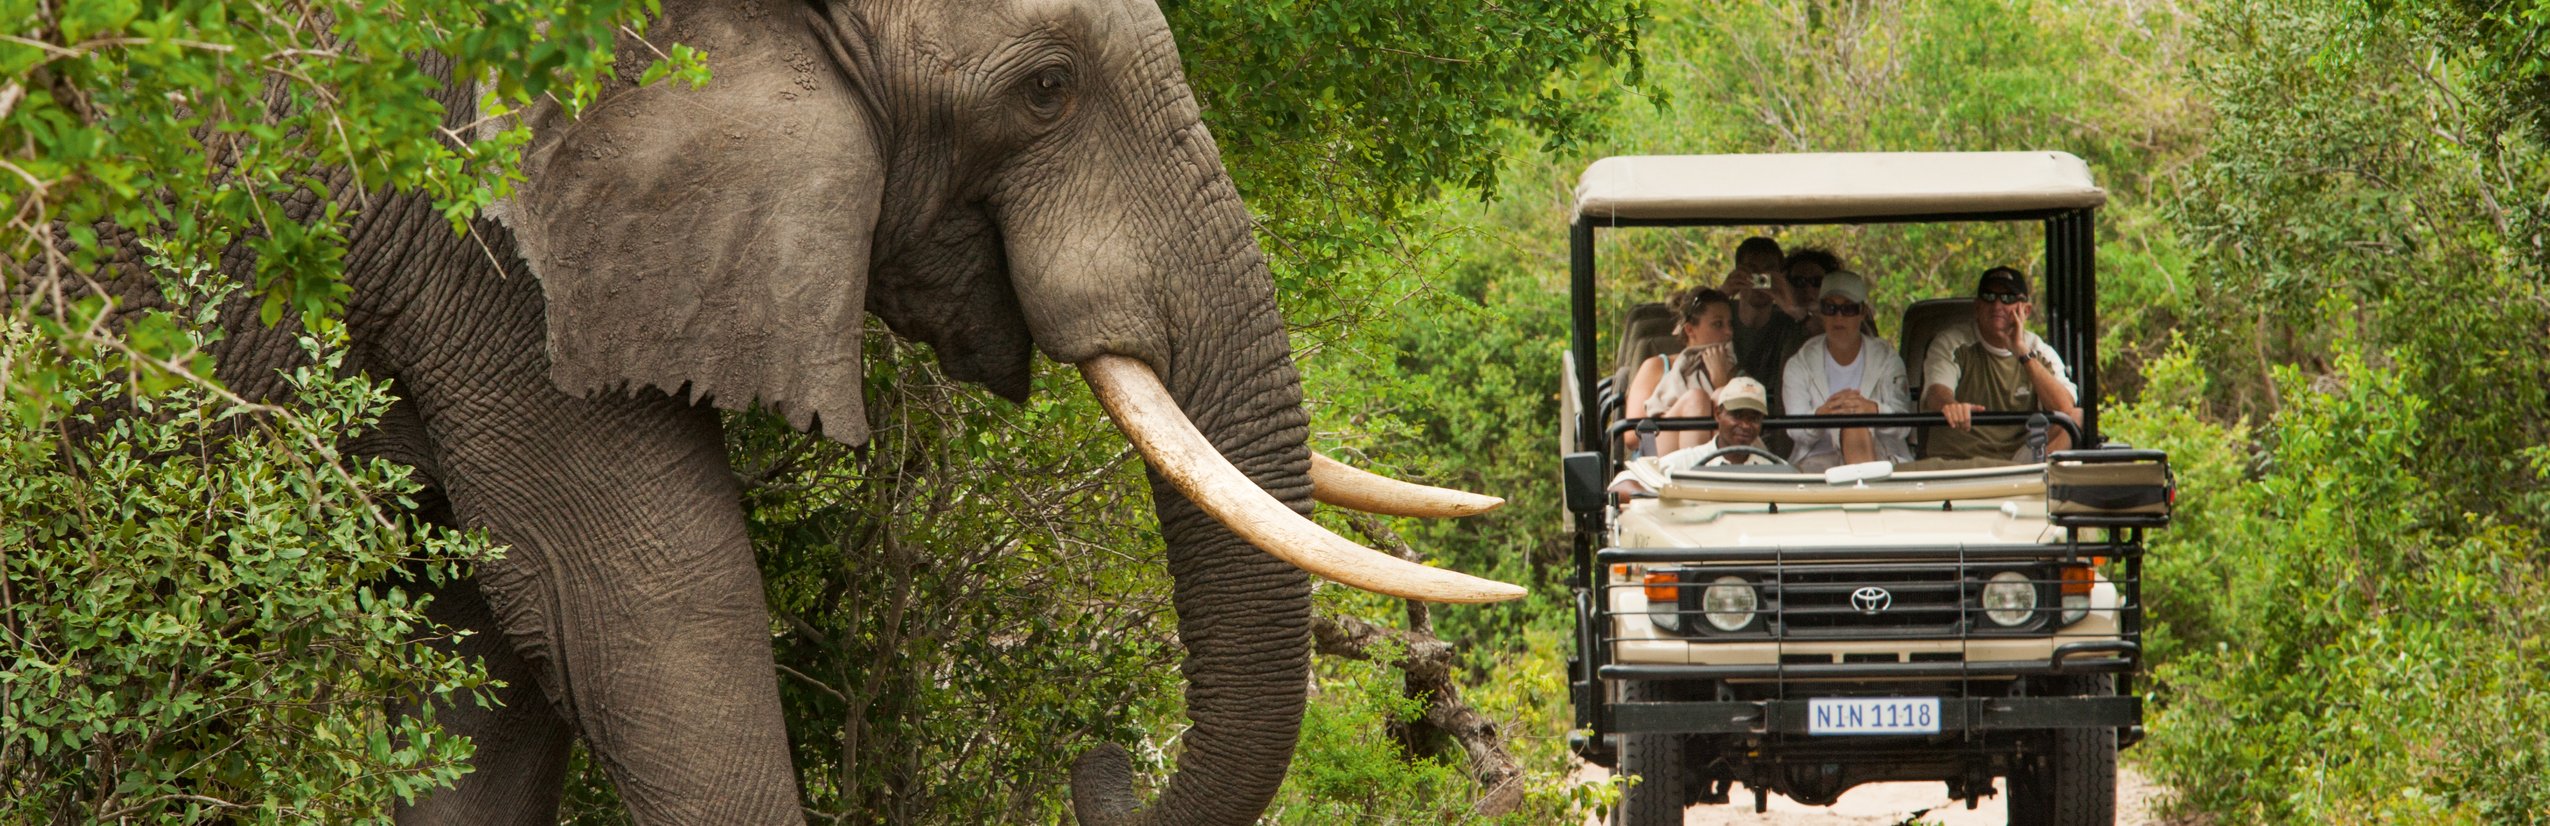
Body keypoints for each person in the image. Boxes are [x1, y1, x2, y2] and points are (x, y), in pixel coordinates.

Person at [1920, 266, 2081, 462]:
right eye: (1989, 296)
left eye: (2008, 298)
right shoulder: (1952, 343)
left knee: (2077, 417)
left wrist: (2021, 351)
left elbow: (2064, 408)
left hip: (2017, 465)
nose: (1997, 305)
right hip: (1957, 460)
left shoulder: (2040, 351)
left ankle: (2037, 480)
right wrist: (1951, 406)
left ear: (2025, 310)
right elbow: (1936, 391)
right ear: (1977, 307)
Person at [1779, 270, 1912, 472]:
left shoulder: (1887, 358)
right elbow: (1795, 431)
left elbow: (1904, 425)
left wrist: (1873, 410)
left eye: (1848, 309)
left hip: (1881, 455)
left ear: (1863, 312)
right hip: (1817, 460)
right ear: (1821, 312)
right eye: (1830, 308)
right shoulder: (1799, 363)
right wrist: (1821, 415)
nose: (1838, 317)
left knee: (1855, 425)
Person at [1622, 286, 1738, 454]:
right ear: (1690, 329)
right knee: (1696, 399)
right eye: (1717, 324)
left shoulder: (1736, 373)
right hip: (1658, 454)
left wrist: (1721, 382)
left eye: (1730, 324)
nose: (1728, 332)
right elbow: (1631, 437)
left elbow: (1743, 430)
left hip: (1723, 458)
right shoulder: (1656, 366)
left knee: (1721, 396)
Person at [1657, 377, 1775, 470]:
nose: (1745, 425)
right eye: (1737, 416)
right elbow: (1642, 481)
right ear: (1718, 414)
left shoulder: (1774, 469)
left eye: (1753, 418)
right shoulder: (1684, 462)